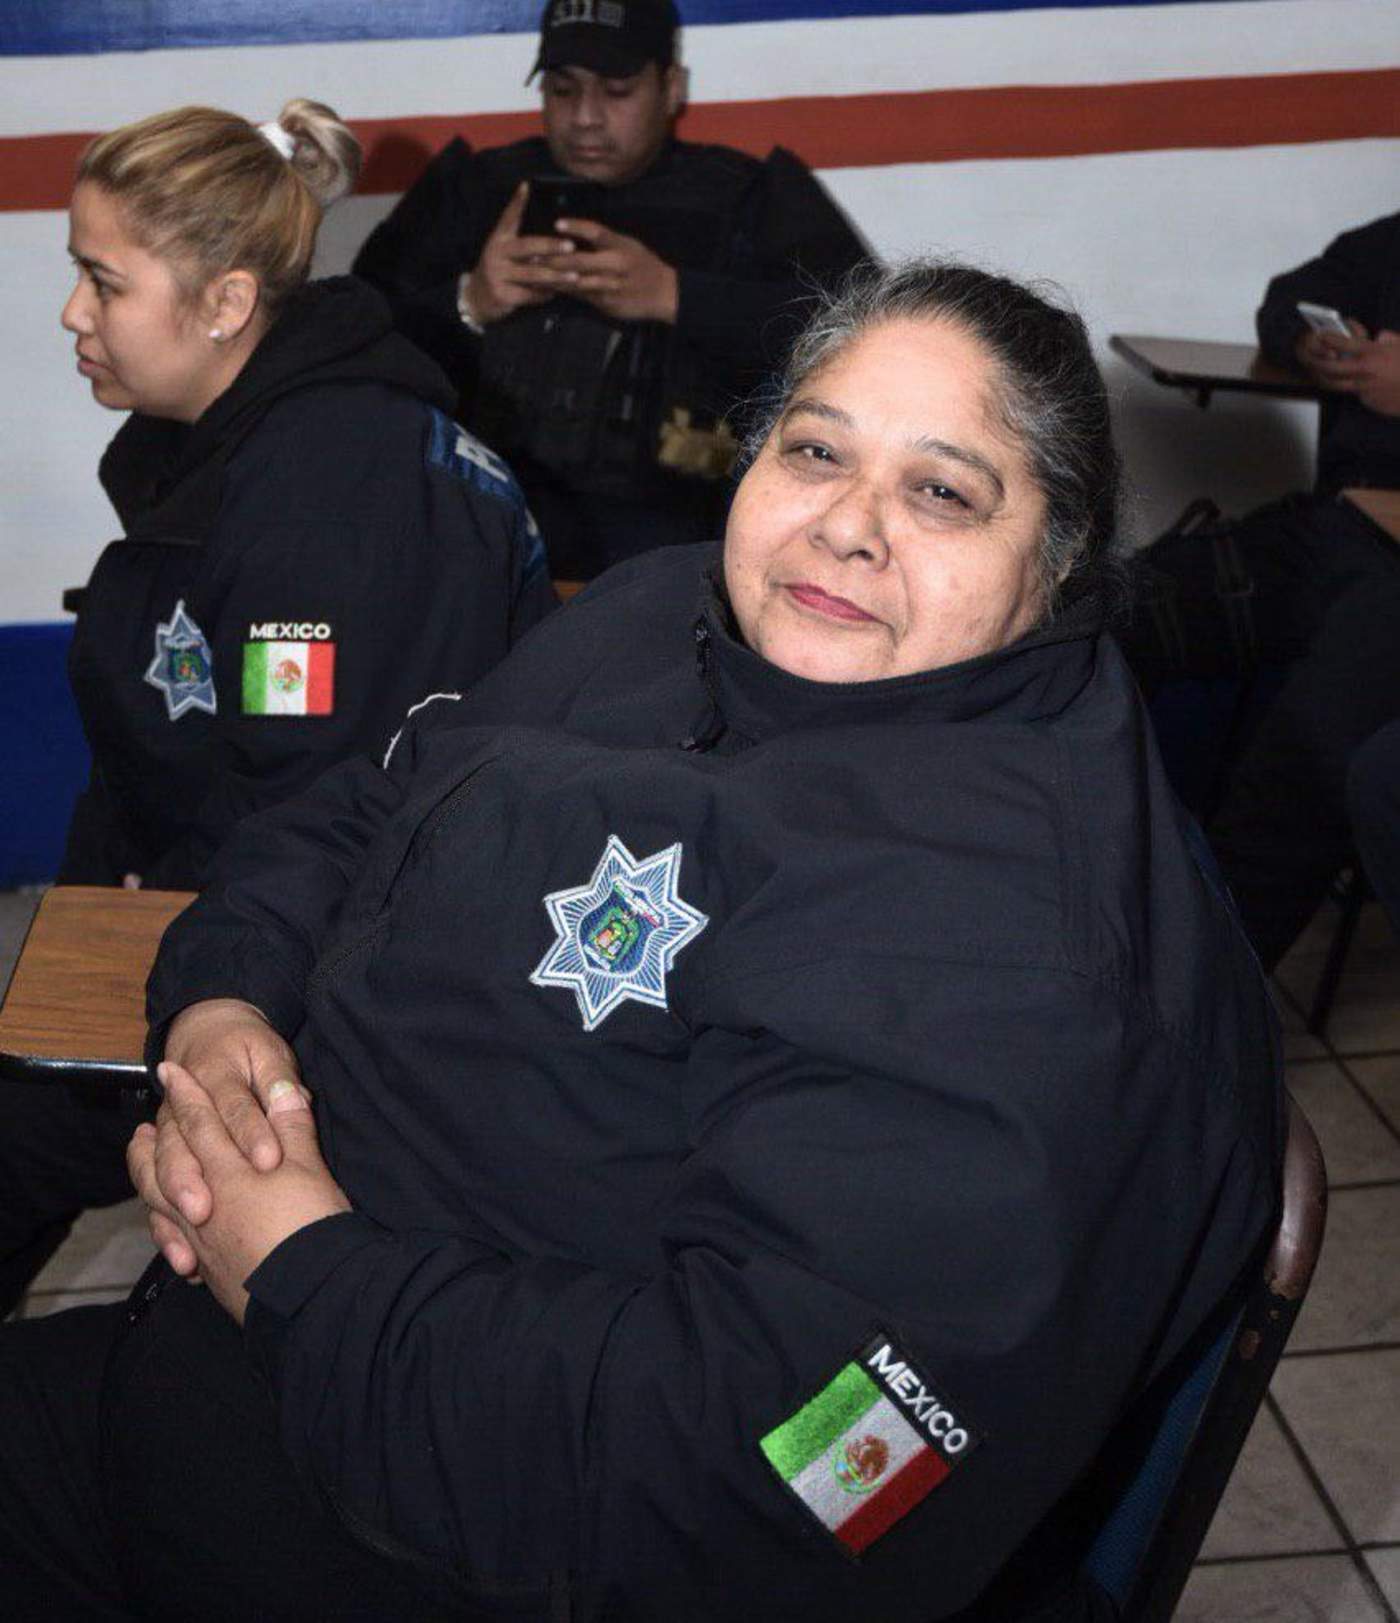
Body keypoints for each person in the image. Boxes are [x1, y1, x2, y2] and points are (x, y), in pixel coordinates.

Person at [0, 262, 1281, 1623]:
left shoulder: (1029, 960)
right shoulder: (661, 614)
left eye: (943, 492)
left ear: (1062, 558)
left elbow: (780, 1471)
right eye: (815, 450)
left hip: (431, 1536)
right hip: (202, 1382)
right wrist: (224, 1002)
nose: (848, 526)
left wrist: (300, 1276)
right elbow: (370, 800)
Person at [0, 100, 555, 1315]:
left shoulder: (342, 496)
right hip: (199, 926)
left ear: (227, 303)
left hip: (319, 998)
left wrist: (186, 988)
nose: (73, 314)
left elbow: (331, 824)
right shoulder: (228, 446)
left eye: (104, 281)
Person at [353, 0, 868, 580]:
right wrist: (469, 301)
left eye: (617, 91)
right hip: (480, 536)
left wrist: (677, 296)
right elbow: (354, 333)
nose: (585, 118)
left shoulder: (749, 198)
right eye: (563, 90)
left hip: (680, 553)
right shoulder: (475, 188)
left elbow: (863, 339)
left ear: (672, 88)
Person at [1201, 212, 1400, 968]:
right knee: (1126, 612)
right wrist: (1308, 343)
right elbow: (1287, 299)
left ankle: (1205, 983)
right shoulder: (1386, 245)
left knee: (1312, 749)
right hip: (1338, 522)